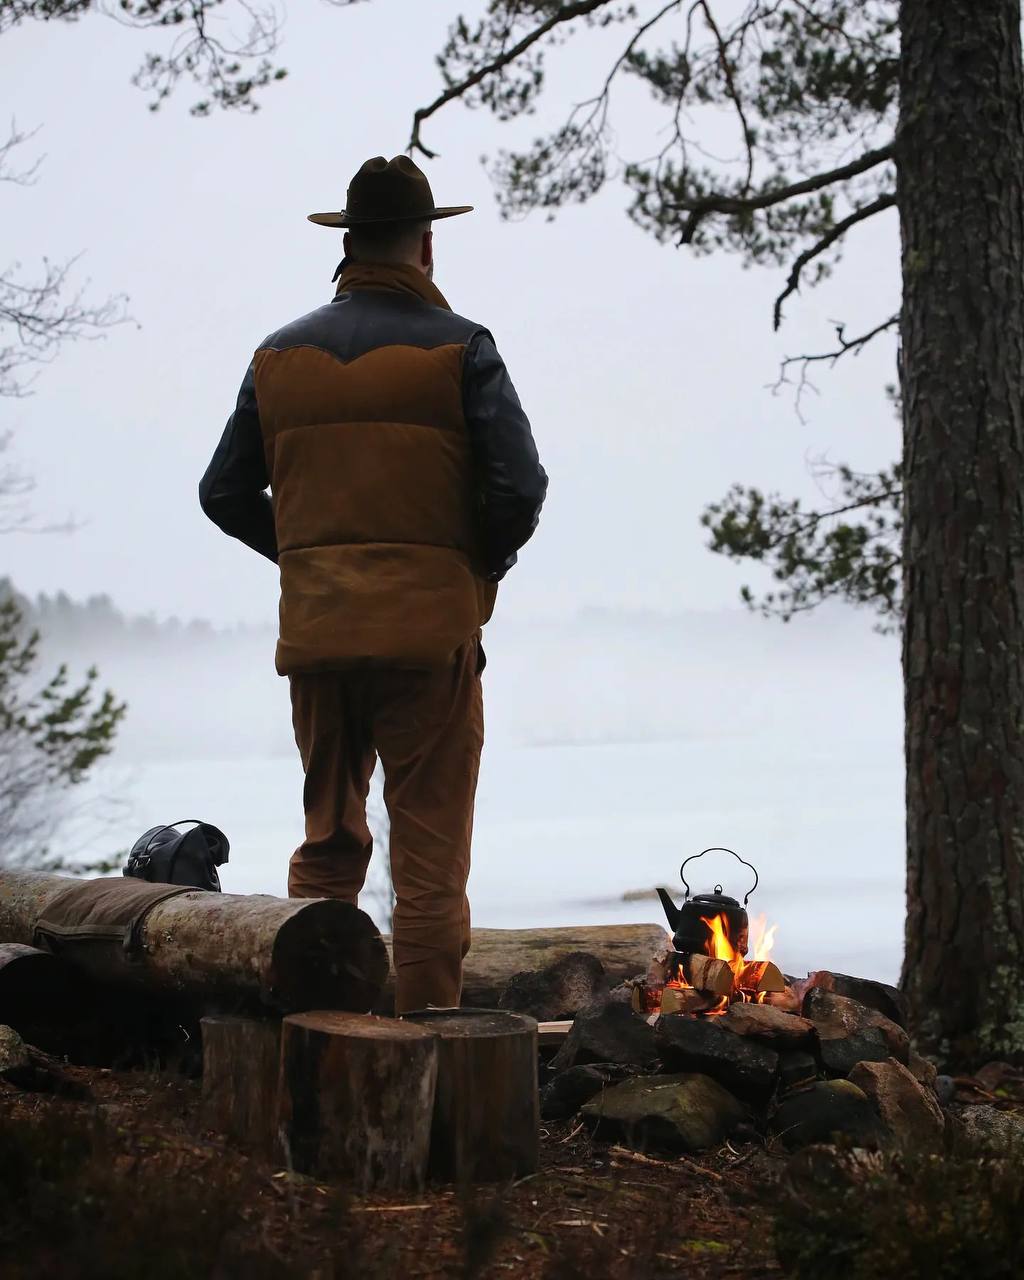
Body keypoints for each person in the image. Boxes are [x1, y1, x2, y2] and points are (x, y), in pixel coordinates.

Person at [199, 155, 547, 1012]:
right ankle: (427, 1054)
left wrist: (308, 559)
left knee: (326, 847)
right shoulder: (462, 348)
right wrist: (471, 572)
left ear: (348, 244)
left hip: (319, 642)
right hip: (430, 643)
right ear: (425, 246)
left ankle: (317, 1040)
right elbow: (521, 488)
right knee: (428, 866)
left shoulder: (277, 356)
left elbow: (223, 492)